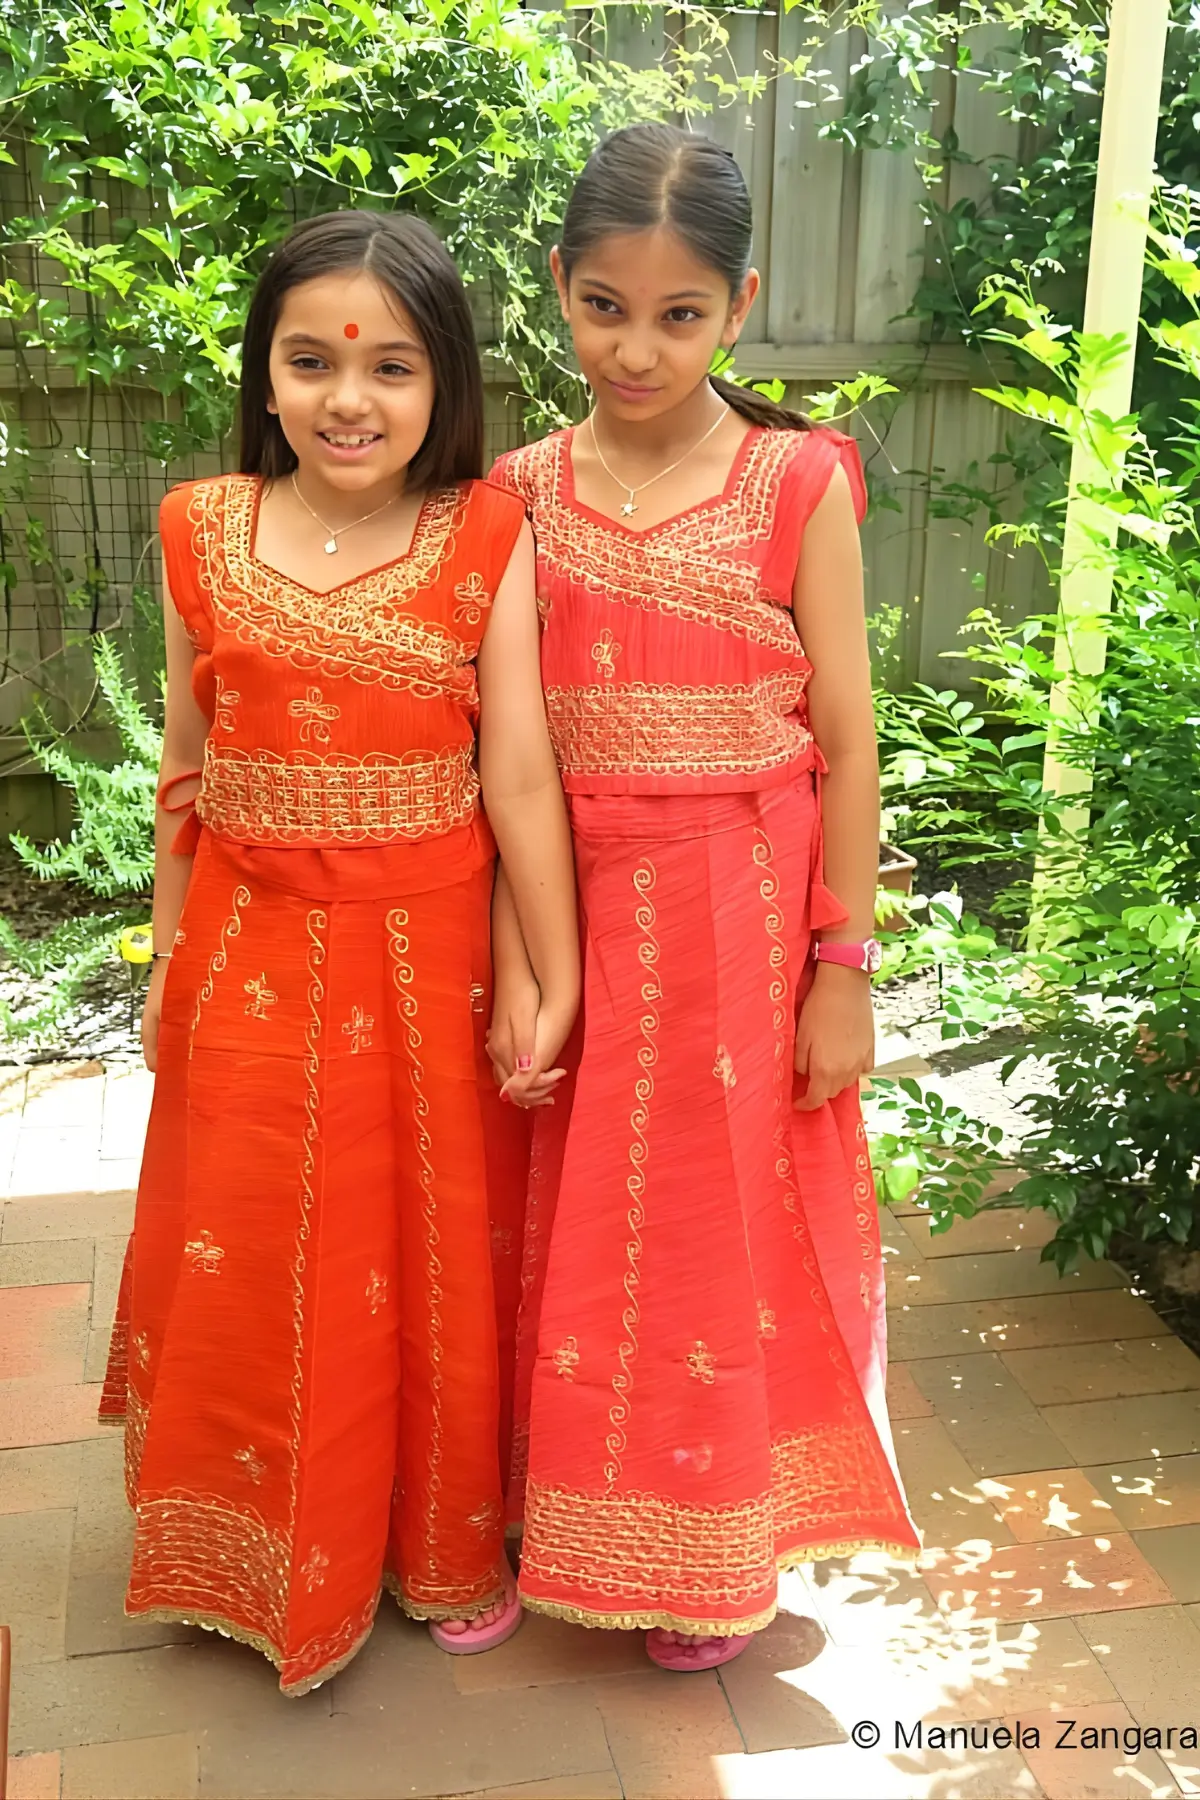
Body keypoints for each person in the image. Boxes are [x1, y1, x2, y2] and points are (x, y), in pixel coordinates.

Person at [99, 211, 579, 1696]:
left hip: (430, 961)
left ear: (446, 385)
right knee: (239, 1238)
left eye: (390, 365)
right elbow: (185, 766)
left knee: (422, 1254)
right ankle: (239, 1545)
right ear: (265, 376)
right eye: (309, 361)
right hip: (244, 947)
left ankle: (438, 1542)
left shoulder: (488, 532)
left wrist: (550, 969)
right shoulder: (200, 526)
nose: (347, 398)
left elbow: (517, 776)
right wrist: (167, 951)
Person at [488, 124, 920, 1674]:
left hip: (746, 918)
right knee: (569, 1210)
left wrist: (845, 968)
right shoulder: (518, 491)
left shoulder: (799, 478)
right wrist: (521, 962)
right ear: (559, 289)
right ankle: (573, 1517)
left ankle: (716, 1545)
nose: (638, 345)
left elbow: (855, 742)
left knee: (710, 1236)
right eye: (605, 306)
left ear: (738, 306)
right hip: (578, 909)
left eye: (679, 315)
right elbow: (508, 759)